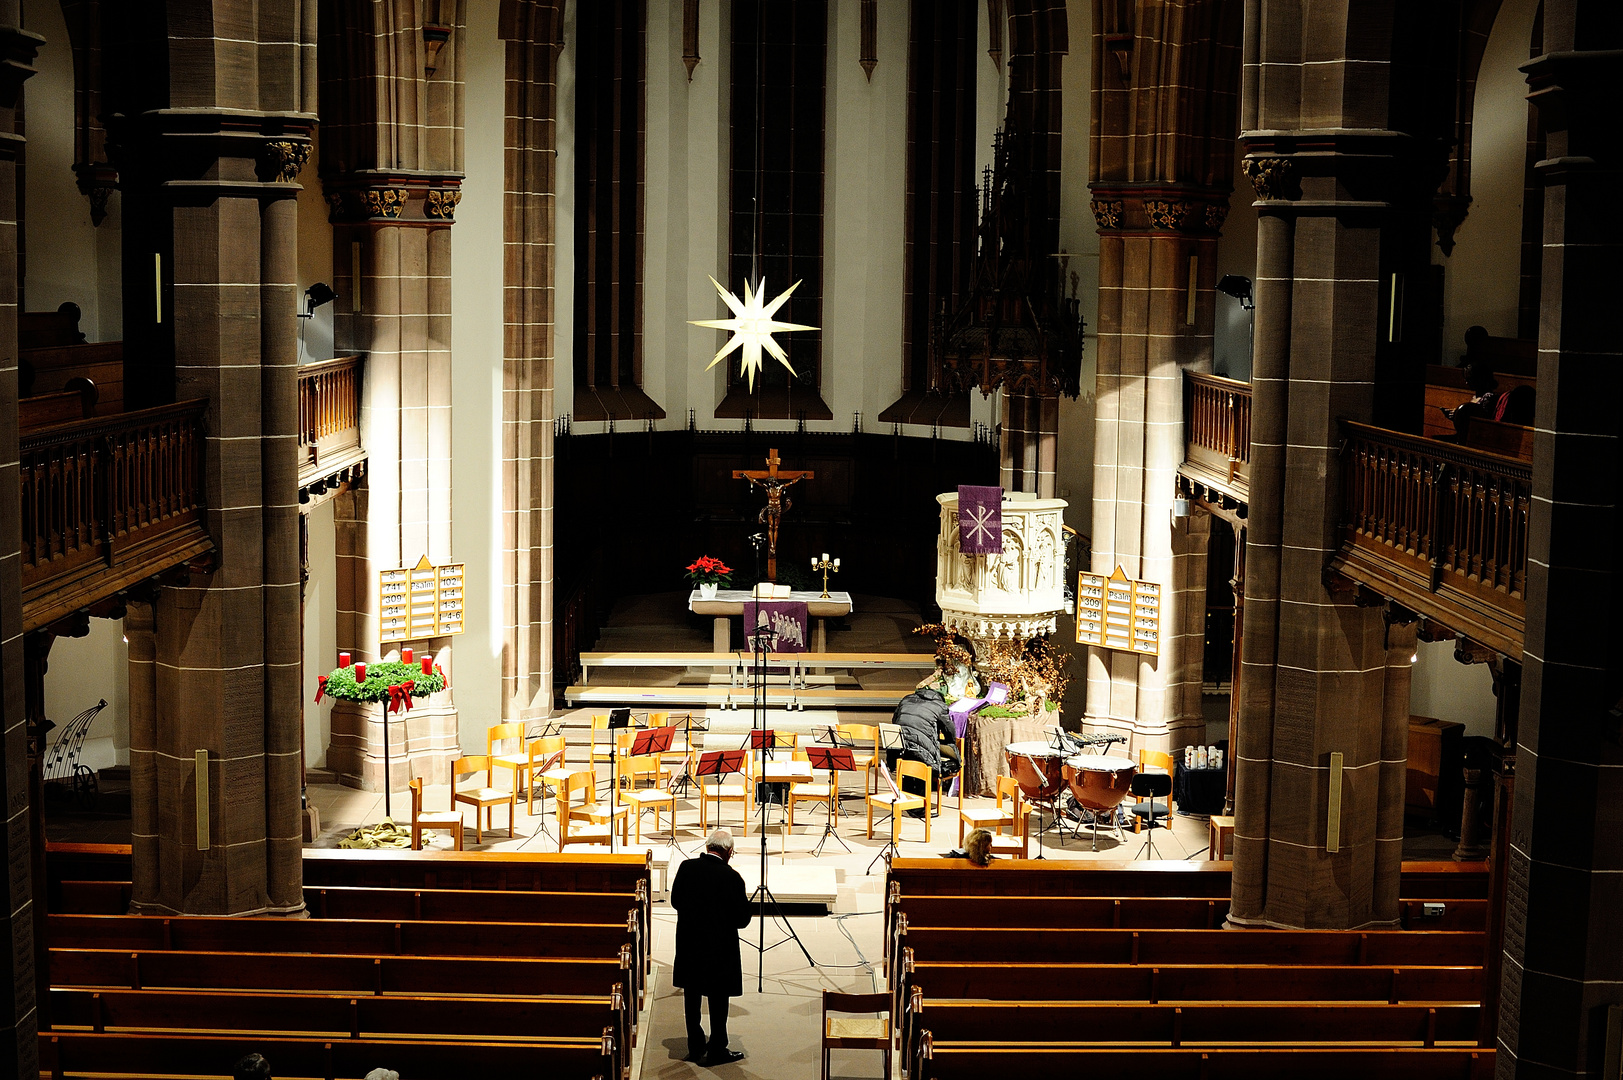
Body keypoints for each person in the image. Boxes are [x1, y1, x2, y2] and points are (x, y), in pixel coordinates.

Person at [671, 828, 752, 1066]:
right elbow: (742, 920)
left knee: (692, 997)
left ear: (707, 847)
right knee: (718, 1001)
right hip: (719, 951)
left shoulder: (686, 868)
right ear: (728, 852)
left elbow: (675, 901)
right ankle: (717, 1048)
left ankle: (695, 1046)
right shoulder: (732, 878)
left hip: (690, 946)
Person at [891, 681, 959, 816]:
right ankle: (919, 809)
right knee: (923, 766)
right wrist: (950, 744)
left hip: (899, 745)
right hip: (922, 748)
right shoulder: (939, 706)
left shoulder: (906, 699)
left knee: (907, 766)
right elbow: (949, 729)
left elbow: (895, 720)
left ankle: (907, 802)